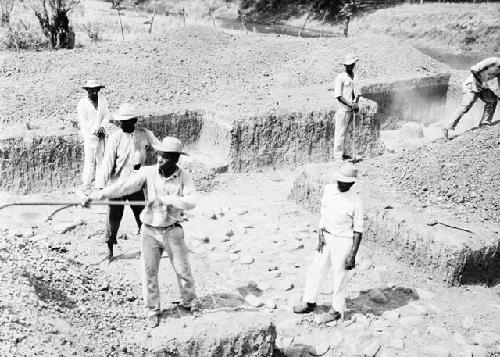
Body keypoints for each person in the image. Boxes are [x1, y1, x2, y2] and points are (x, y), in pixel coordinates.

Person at [86, 137, 198, 328]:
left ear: (176, 159)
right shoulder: (147, 172)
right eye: (160, 154)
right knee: (149, 273)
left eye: (166, 156)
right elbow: (123, 187)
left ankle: (190, 303)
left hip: (172, 230)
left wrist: (169, 200)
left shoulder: (185, 177)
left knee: (182, 270)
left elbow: (191, 201)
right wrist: (97, 195)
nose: (160, 159)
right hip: (150, 231)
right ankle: (152, 310)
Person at [293, 162, 363, 321]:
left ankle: (337, 310)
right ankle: (309, 302)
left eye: (344, 183)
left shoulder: (356, 202)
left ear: (351, 183)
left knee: (339, 276)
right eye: (339, 181)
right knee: (315, 269)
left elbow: (358, 231)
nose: (340, 184)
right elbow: (324, 213)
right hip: (326, 237)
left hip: (343, 241)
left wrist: (352, 255)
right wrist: (320, 233)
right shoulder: (329, 190)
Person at [96, 103, 160, 261]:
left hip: (136, 182)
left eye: (125, 121)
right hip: (118, 183)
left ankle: (147, 247)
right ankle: (109, 250)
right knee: (113, 217)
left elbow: (158, 147)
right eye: (120, 121)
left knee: (142, 215)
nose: (121, 124)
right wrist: (100, 187)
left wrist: (169, 155)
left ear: (134, 120)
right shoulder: (116, 138)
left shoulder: (145, 134)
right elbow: (107, 163)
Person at [444, 57, 500, 140]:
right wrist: (482, 81)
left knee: (492, 100)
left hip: (482, 87)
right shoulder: (493, 61)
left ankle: (484, 123)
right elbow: (474, 69)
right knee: (466, 106)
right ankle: (447, 128)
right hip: (472, 85)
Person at [77, 79, 110, 192]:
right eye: (92, 91)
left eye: (96, 91)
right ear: (87, 91)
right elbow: (83, 122)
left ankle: (100, 184)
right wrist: (94, 131)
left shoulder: (103, 101)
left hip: (101, 135)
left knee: (101, 159)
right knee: (90, 161)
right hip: (89, 136)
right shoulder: (82, 104)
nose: (94, 93)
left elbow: (106, 115)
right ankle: (86, 184)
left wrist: (102, 127)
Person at [333, 54, 360, 162]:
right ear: (346, 65)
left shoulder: (355, 77)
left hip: (351, 110)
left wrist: (356, 103)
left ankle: (345, 153)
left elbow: (357, 93)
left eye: (352, 64)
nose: (351, 66)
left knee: (349, 132)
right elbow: (339, 96)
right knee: (340, 133)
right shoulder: (341, 77)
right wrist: (350, 104)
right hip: (343, 110)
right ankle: (338, 157)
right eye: (349, 64)